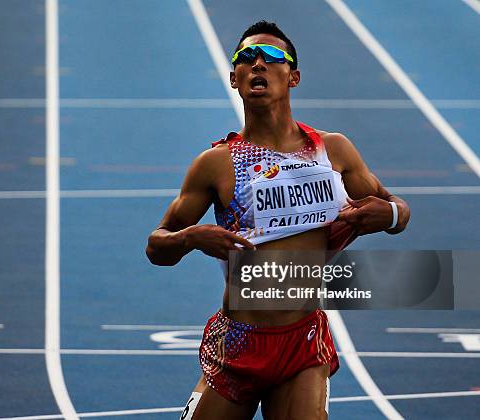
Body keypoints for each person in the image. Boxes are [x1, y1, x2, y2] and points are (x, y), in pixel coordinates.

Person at [146, 20, 410, 420]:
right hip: (238, 343)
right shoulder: (216, 164)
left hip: (302, 342)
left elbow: (397, 208)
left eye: (271, 57)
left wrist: (389, 214)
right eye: (246, 58)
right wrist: (192, 238)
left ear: (294, 77)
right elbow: (156, 245)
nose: (258, 64)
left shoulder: (332, 150)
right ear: (234, 79)